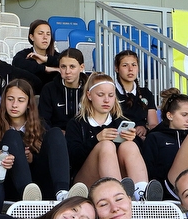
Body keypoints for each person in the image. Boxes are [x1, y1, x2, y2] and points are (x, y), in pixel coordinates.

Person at [0, 78, 81, 209]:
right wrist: (2, 159)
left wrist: (32, 159)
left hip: (41, 187)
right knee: (12, 135)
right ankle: (27, 194)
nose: (14, 105)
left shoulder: (42, 128)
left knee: (56, 132)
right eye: (10, 99)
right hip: (11, 188)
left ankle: (62, 193)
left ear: (29, 104)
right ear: (4, 101)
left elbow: (48, 161)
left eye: (21, 100)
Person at [65, 73, 161, 201]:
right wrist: (96, 139)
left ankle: (142, 193)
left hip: (119, 177)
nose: (106, 100)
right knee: (106, 145)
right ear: (89, 95)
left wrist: (134, 139)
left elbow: (139, 156)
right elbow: (73, 158)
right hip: (85, 181)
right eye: (100, 95)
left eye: (111, 95)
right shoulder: (77, 123)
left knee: (129, 145)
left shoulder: (120, 121)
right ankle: (118, 195)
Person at [39, 48, 88, 132]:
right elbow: (43, 120)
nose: (67, 71)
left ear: (81, 67)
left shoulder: (90, 89)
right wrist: (56, 134)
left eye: (72, 67)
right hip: (56, 138)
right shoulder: (49, 89)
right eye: (63, 67)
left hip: (84, 138)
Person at [113, 50, 157, 141]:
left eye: (134, 65)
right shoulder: (110, 92)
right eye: (125, 65)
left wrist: (145, 128)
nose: (130, 69)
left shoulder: (146, 93)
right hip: (118, 138)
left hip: (141, 137)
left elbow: (153, 124)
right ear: (116, 68)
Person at [11, 19, 59, 92]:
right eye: (40, 33)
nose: (45, 37)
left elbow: (67, 62)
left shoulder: (56, 56)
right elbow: (16, 62)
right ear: (31, 37)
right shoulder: (24, 54)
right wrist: (45, 68)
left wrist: (46, 59)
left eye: (48, 34)